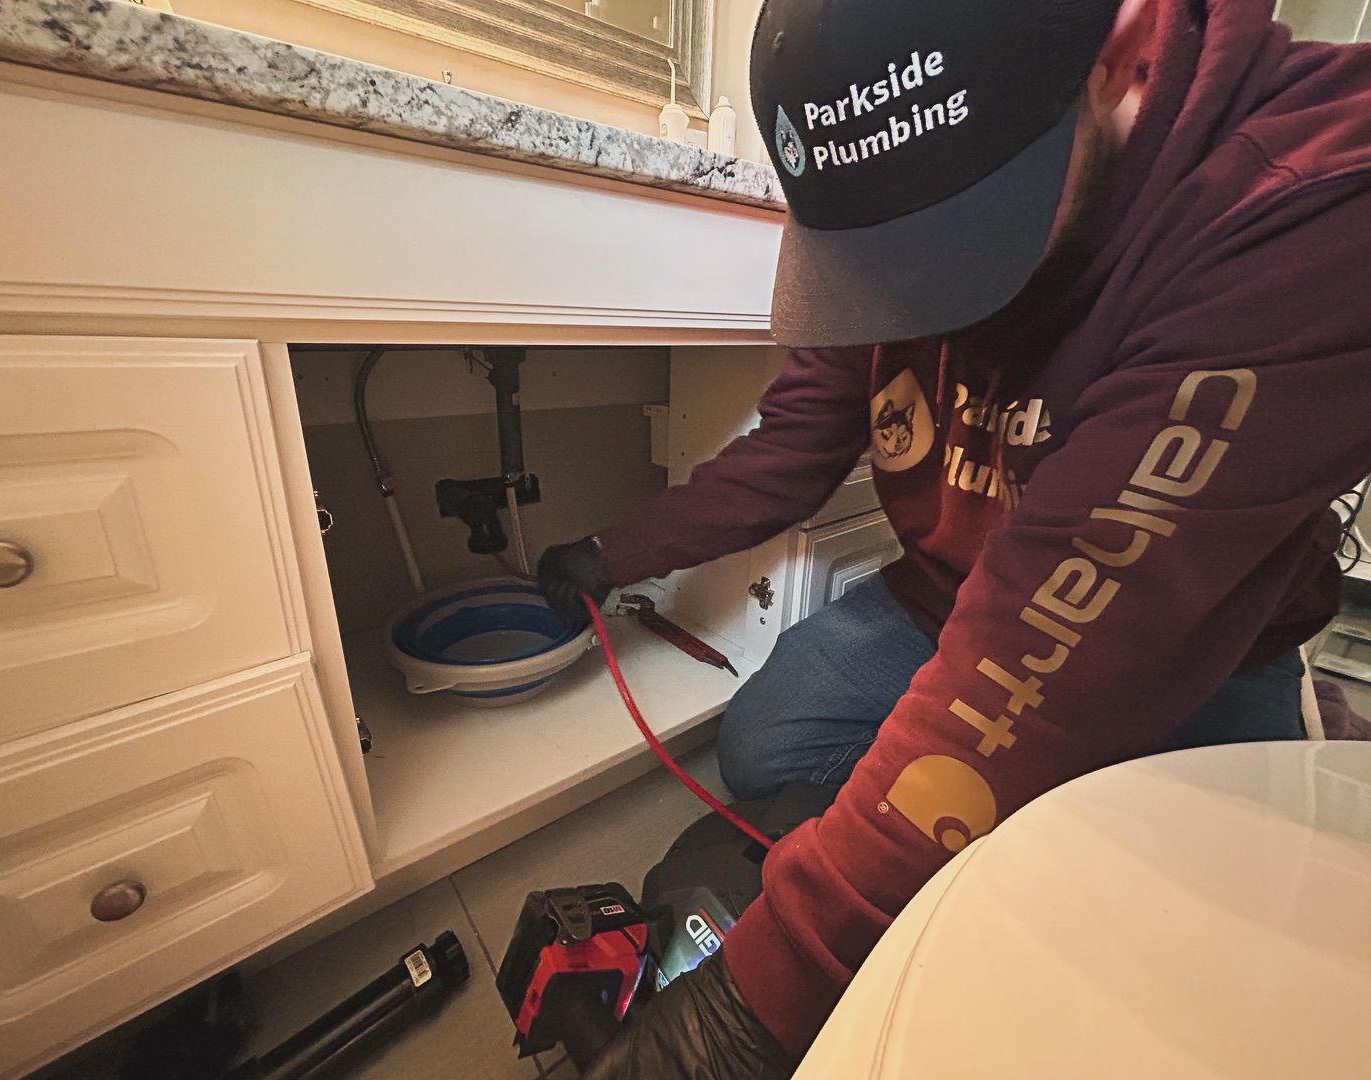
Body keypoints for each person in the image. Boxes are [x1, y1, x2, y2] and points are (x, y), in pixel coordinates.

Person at [537, 0, 1371, 1075]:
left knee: (1138, 916)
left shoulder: (1310, 207)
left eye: (964, 236)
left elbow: (1044, 651)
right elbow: (789, 449)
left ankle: (1305, 730)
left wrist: (737, 1015)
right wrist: (612, 553)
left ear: (1125, 53)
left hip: (1188, 638)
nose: (920, 298)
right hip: (945, 600)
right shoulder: (915, 194)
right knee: (767, 748)